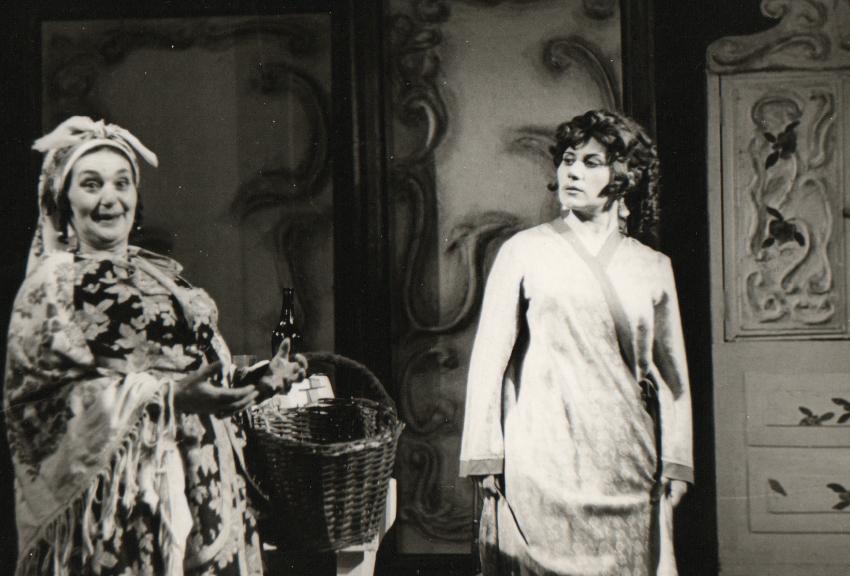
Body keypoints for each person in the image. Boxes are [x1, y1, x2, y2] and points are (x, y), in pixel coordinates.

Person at [4, 116, 308, 576]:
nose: (110, 198)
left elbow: (197, 370)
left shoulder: (159, 273)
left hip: (207, 485)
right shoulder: (52, 285)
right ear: (64, 200)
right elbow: (39, 405)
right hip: (124, 507)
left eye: (121, 183)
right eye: (91, 184)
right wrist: (168, 398)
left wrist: (256, 380)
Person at [459, 109, 692, 576]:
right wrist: (485, 455)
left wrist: (676, 460)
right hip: (541, 456)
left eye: (591, 162)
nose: (573, 172)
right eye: (568, 159)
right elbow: (488, 360)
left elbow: (673, 377)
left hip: (626, 459)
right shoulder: (523, 252)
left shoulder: (653, 267)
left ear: (624, 177)